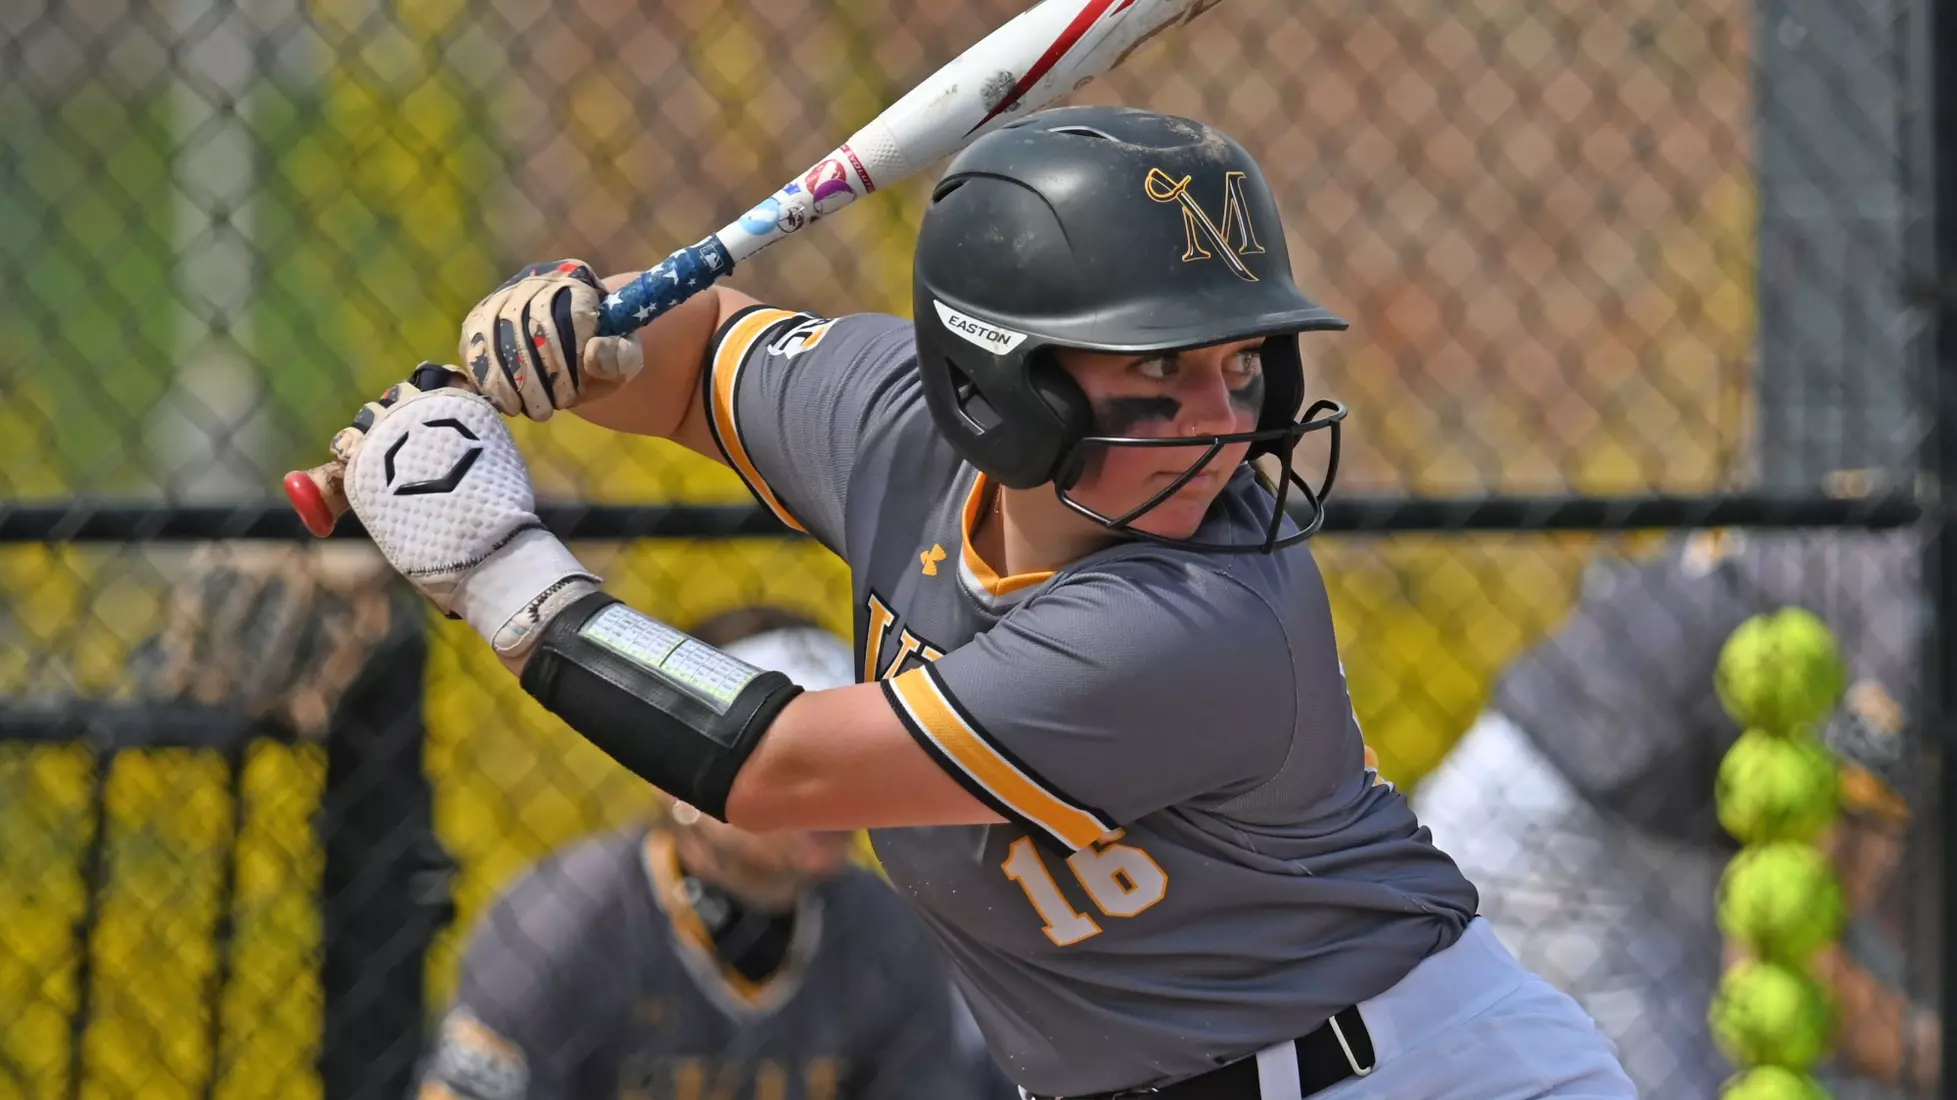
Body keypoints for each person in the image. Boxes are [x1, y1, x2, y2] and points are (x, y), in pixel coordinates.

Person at [328, 106, 1634, 1099]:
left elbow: (778, 768)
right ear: (993, 385)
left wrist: (495, 564)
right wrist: (571, 337)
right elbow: (684, 362)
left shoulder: (1196, 619)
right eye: (1158, 372)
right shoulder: (893, 422)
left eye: (1242, 367)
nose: (1225, 426)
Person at [1413, 528, 1938, 1098]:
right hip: (1559, 841)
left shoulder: (1901, 533)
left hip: (1619, 826)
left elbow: (1881, 892)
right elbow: (1786, 955)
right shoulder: (1913, 623)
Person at [418, 606, 1002, 1100]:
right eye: (788, 763)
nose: (835, 794)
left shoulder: (889, 933)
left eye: (848, 758)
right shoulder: (563, 924)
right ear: (674, 775)